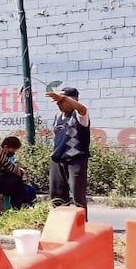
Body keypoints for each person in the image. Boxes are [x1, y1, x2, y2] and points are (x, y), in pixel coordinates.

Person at [47, 86, 90, 214]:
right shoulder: (58, 117)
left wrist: (64, 98)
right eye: (58, 102)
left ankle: (82, 224)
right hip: (57, 159)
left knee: (77, 194)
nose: (59, 105)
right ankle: (60, 223)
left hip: (75, 160)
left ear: (72, 101)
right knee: (57, 196)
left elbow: (82, 108)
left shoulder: (80, 115)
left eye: (62, 102)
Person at [0, 135, 37, 206]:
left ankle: (26, 206)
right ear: (5, 147)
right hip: (2, 183)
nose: (14, 152)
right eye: (13, 149)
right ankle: (19, 207)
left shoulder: (8, 157)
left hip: (9, 182)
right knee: (22, 188)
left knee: (30, 189)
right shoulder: (0, 156)